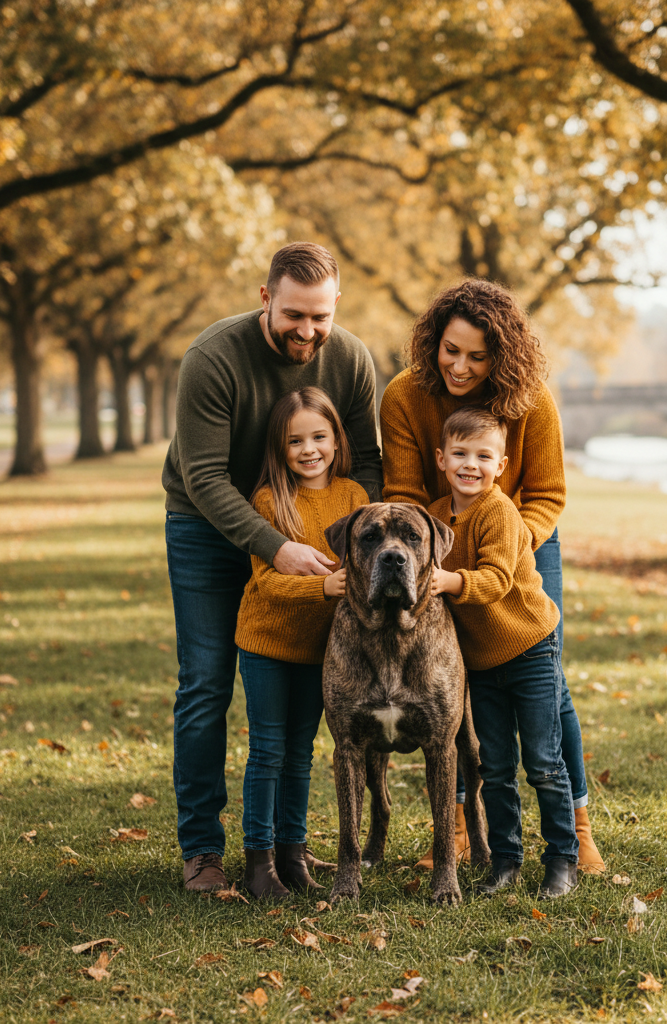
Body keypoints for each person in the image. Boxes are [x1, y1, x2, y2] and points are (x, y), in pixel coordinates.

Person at [163, 242, 382, 892]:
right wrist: (273, 546)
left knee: (302, 698)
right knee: (205, 685)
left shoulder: (352, 358)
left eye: (321, 316)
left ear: (336, 302)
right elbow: (202, 474)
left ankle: (288, 846)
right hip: (207, 525)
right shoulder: (214, 357)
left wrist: (351, 540)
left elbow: (364, 460)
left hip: (308, 533)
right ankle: (203, 850)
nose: (309, 331)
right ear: (266, 299)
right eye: (294, 315)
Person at [380, 279, 604, 873]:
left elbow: (547, 493)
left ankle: (577, 829)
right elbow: (402, 494)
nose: (460, 365)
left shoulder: (532, 401)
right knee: (449, 681)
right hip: (436, 547)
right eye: (451, 350)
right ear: (434, 342)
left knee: (546, 681)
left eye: (478, 356)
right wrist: (445, 554)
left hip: (520, 541)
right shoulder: (404, 397)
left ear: (502, 355)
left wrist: (501, 551)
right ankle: (459, 828)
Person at [430, 406, 578, 896]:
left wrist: (447, 580)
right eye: (460, 454)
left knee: (541, 762)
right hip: (480, 663)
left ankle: (562, 859)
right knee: (493, 766)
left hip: (530, 646)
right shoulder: (434, 518)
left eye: (483, 456)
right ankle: (505, 860)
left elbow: (495, 581)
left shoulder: (500, 512)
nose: (470, 465)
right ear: (441, 459)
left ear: (501, 465)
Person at [234, 388, 369, 898]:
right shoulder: (270, 499)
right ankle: (259, 862)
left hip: (322, 650)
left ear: (336, 439)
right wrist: (323, 585)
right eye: (296, 441)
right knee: (268, 750)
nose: (309, 449)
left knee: (301, 752)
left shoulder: (355, 497)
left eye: (319, 436)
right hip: (268, 643)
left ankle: (294, 855)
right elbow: (266, 582)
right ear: (280, 447)